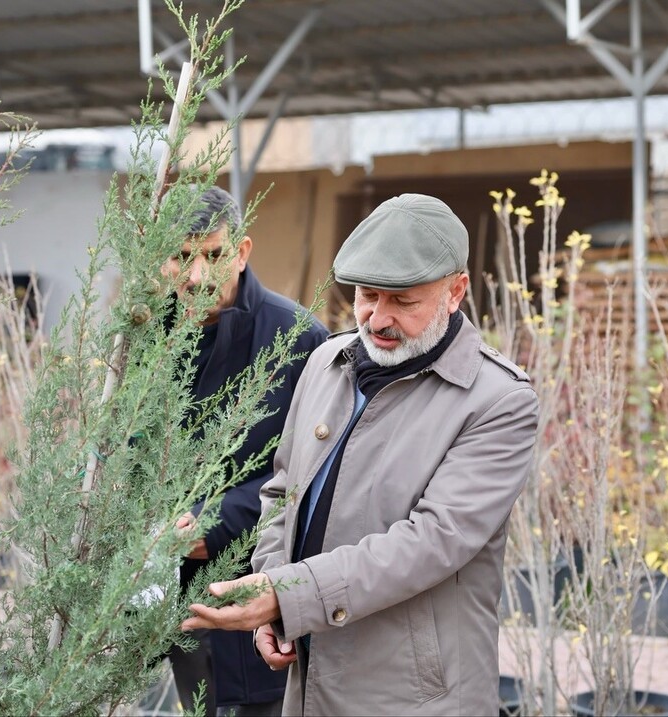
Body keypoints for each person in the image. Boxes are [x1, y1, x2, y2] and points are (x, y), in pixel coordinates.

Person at [181, 193, 540, 715]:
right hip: (312, 675)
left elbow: (431, 542)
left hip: (416, 696)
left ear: (456, 291)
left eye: (404, 302)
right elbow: (283, 489)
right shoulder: (329, 359)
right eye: (367, 296)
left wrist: (286, 595)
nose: (378, 319)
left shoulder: (499, 400)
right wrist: (272, 608)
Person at [161, 186, 328, 717]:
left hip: (265, 580)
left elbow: (318, 470)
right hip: (173, 590)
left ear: (242, 250)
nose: (195, 277)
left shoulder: (298, 337)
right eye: (181, 258)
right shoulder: (141, 340)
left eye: (212, 255)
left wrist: (217, 523)